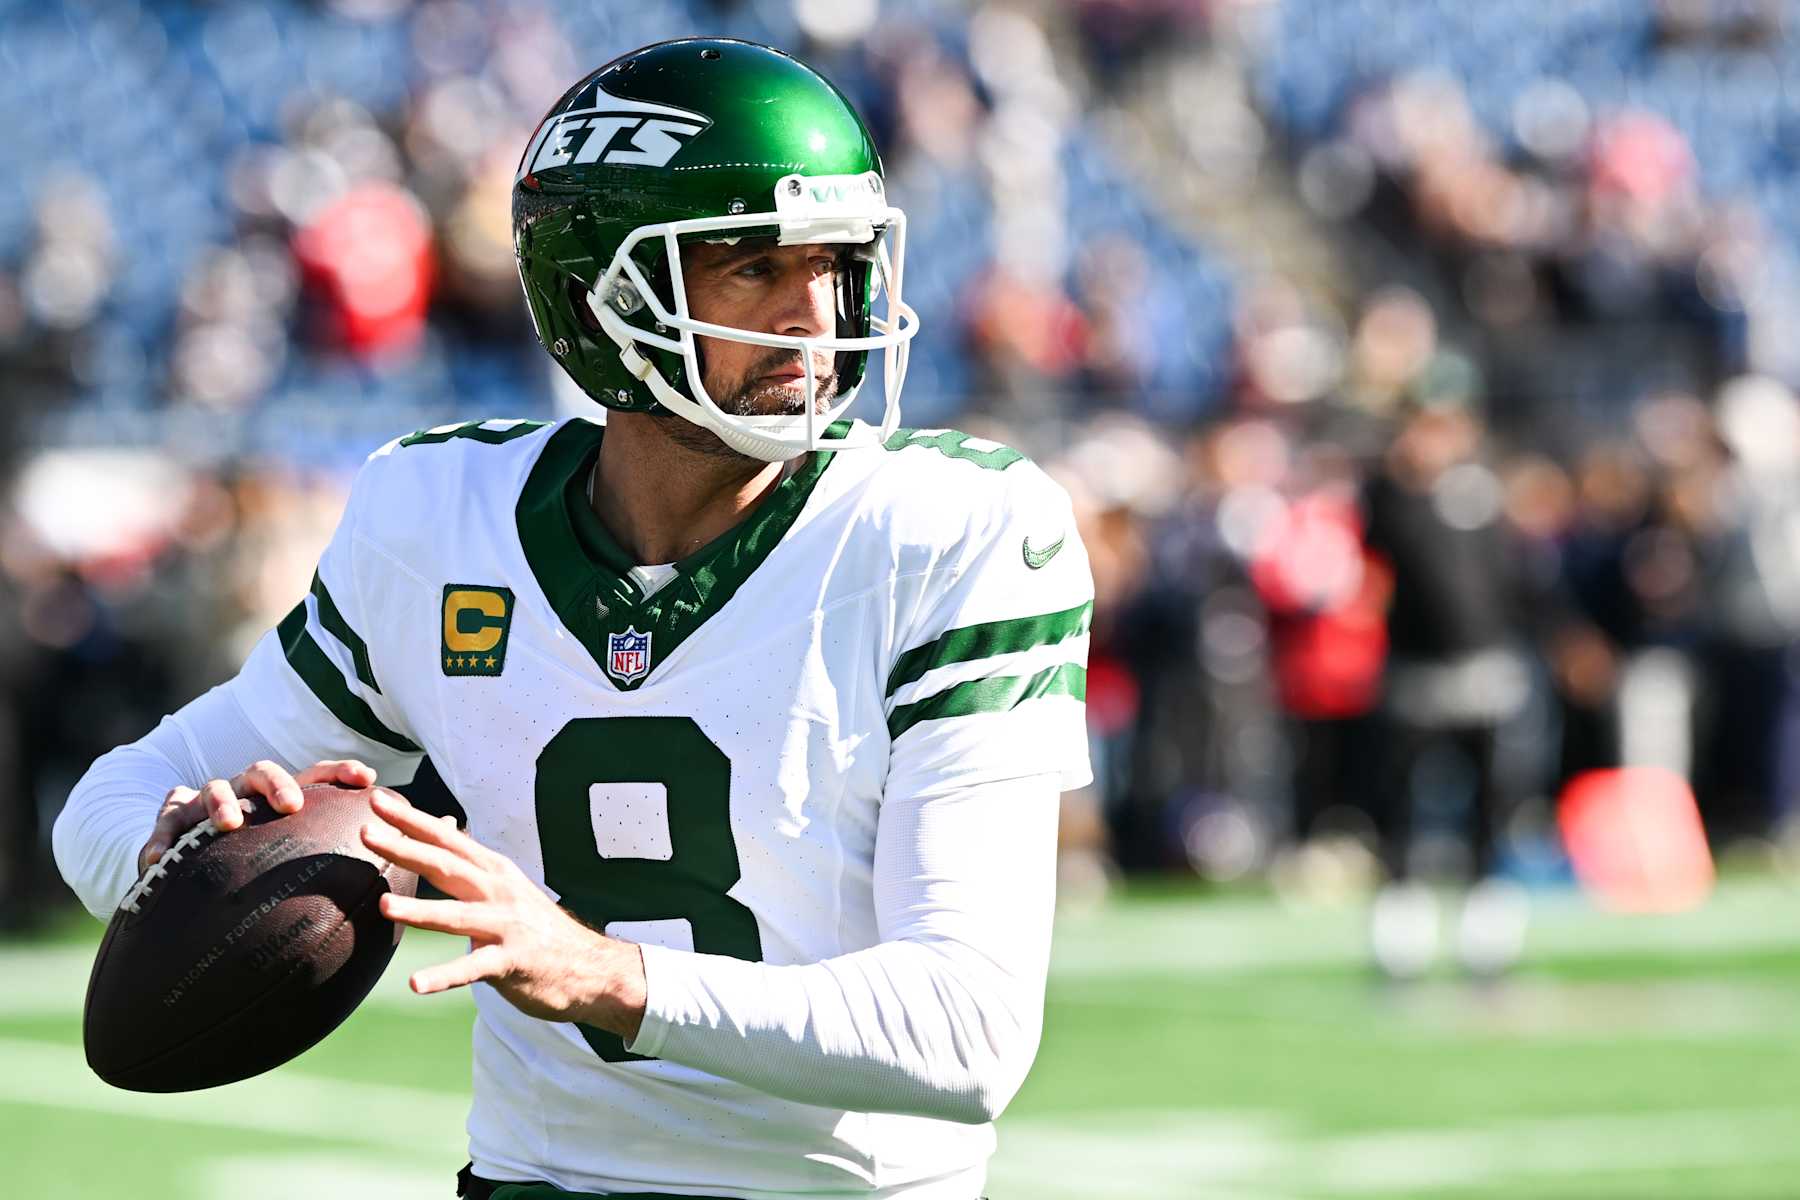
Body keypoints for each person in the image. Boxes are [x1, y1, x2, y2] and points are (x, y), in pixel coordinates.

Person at [53, 38, 1093, 1200]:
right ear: (602, 288)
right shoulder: (438, 517)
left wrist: (601, 973)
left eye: (837, 264)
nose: (816, 317)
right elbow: (105, 802)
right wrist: (179, 850)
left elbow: (971, 1032)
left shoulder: (951, 530)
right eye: (754, 267)